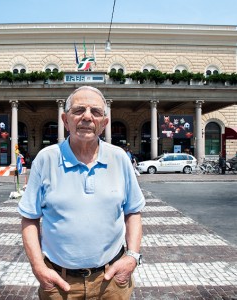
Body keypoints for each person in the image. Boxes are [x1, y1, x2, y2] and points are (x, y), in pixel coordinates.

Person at [18, 86, 145, 300]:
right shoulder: (45, 159)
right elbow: (29, 218)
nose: (87, 117)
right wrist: (39, 268)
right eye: (79, 111)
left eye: (95, 112)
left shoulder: (120, 158)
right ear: (65, 120)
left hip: (112, 281)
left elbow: (133, 212)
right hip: (59, 283)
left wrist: (132, 257)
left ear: (104, 123)